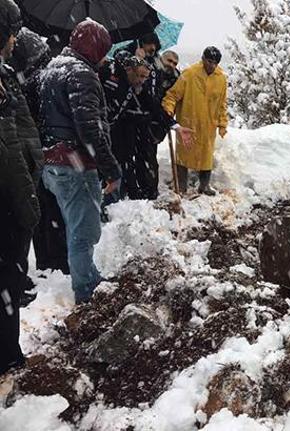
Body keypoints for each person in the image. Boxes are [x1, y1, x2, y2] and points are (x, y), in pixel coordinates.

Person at [39, 19, 121, 305]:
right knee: (84, 228)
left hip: (53, 159)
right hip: (75, 162)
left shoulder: (51, 69)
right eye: (103, 49)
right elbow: (90, 128)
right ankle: (86, 289)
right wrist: (111, 168)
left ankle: (87, 275)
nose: (105, 56)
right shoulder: (81, 74)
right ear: (94, 46)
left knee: (73, 223)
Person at [0, 0, 41, 375]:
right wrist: (27, 200)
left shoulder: (6, 74)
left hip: (11, 195)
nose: (15, 39)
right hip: (7, 200)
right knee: (6, 281)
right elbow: (9, 147)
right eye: (11, 32)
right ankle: (7, 358)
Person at [10, 27, 69, 275]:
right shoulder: (39, 79)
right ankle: (53, 261)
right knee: (47, 209)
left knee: (38, 211)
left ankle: (46, 260)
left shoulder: (21, 79)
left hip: (32, 152)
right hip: (38, 152)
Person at [100, 55, 193, 201]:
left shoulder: (137, 87)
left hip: (112, 126)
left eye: (146, 78)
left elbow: (154, 106)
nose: (142, 80)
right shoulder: (110, 76)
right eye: (140, 76)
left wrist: (175, 126)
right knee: (109, 162)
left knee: (125, 160)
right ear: (129, 70)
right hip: (99, 127)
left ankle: (127, 195)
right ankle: (108, 198)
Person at [162, 46, 228, 196]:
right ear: (203, 59)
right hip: (188, 123)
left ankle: (204, 186)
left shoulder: (221, 78)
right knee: (183, 156)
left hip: (208, 125)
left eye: (215, 63)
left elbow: (222, 103)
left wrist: (222, 123)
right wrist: (168, 109)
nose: (211, 65)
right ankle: (181, 187)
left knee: (206, 156)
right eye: (209, 61)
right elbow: (172, 95)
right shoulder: (189, 74)